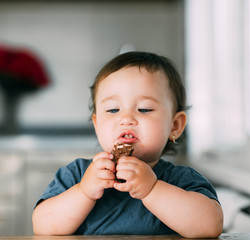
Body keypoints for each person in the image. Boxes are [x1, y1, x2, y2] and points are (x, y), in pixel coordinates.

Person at [32, 52, 223, 238]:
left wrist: (153, 188)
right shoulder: (76, 175)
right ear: (97, 125)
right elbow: (42, 226)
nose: (126, 119)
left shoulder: (181, 180)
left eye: (144, 109)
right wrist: (84, 192)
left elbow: (210, 226)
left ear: (175, 126)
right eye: (113, 109)